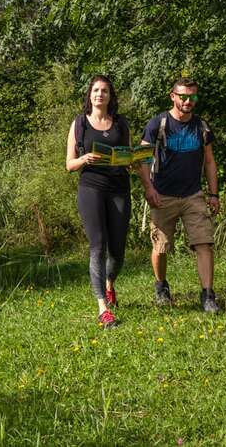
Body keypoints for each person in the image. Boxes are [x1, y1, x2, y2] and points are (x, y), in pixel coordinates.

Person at [140, 78, 220, 312]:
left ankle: (207, 295)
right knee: (161, 247)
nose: (188, 101)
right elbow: (143, 157)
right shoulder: (158, 124)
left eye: (192, 97)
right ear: (172, 96)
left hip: (193, 195)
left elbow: (209, 162)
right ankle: (161, 286)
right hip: (162, 195)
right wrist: (149, 188)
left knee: (204, 242)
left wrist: (213, 194)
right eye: (183, 96)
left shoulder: (201, 126)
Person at [66, 75, 131, 328]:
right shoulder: (80, 123)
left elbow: (128, 154)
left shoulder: (121, 124)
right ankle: (103, 308)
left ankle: (109, 284)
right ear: (89, 95)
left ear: (110, 96)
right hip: (91, 187)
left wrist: (136, 160)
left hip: (119, 189)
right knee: (98, 246)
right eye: (96, 90)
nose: (100, 94)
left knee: (117, 251)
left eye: (104, 91)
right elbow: (69, 164)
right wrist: (85, 159)